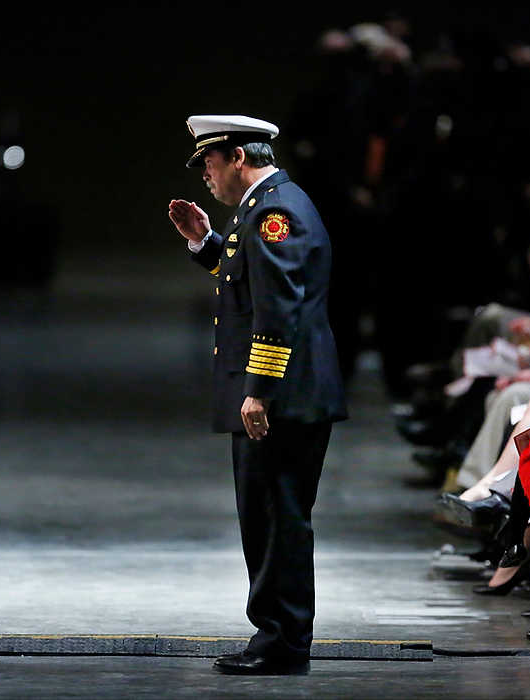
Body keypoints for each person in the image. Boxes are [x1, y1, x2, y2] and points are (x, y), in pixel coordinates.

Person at [167, 115, 347, 675]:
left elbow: (278, 308)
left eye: (211, 163)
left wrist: (260, 391)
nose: (206, 176)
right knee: (268, 518)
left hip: (282, 399)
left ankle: (283, 642)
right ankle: (276, 635)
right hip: (283, 395)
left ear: (238, 157)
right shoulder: (265, 206)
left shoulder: (274, 212)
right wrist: (205, 243)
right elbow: (247, 278)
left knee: (277, 520)